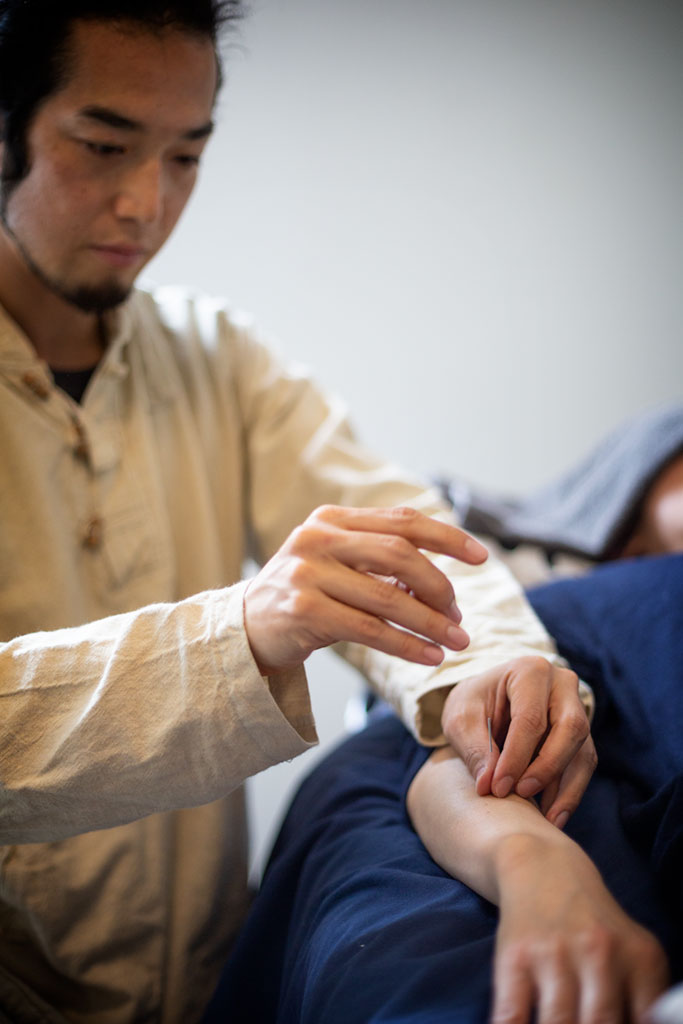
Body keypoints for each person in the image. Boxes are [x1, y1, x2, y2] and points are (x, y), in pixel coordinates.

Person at [0, 1, 595, 1019]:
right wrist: (244, 628)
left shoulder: (214, 357)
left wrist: (494, 672)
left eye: (188, 156)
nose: (147, 203)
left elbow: (397, 524)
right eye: (103, 145)